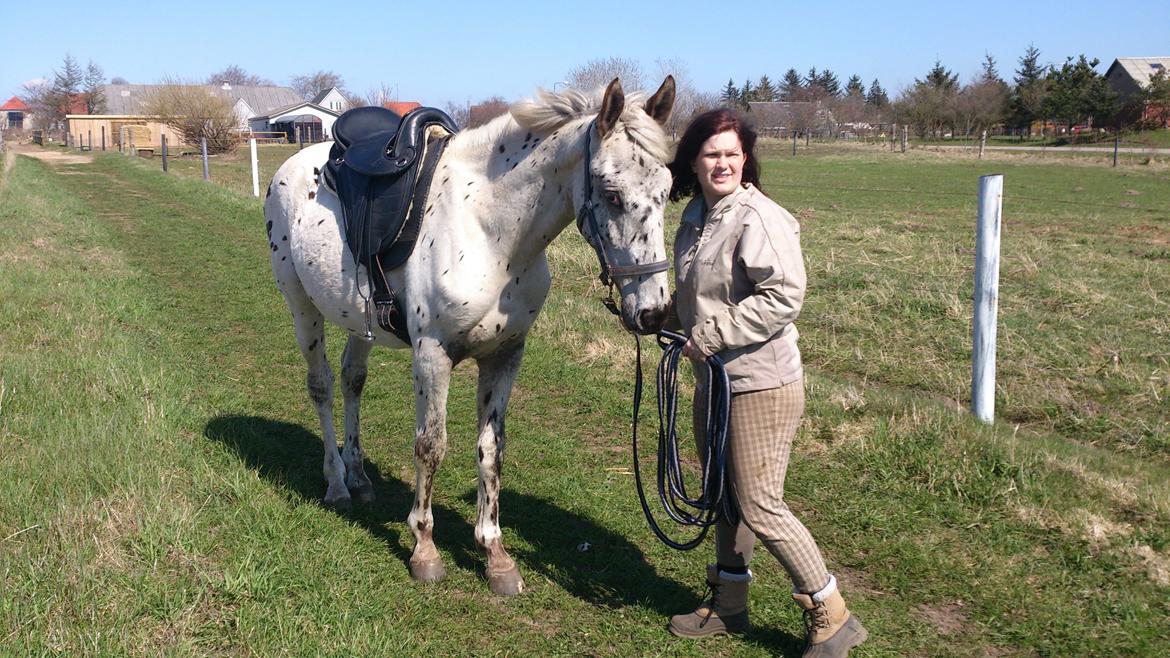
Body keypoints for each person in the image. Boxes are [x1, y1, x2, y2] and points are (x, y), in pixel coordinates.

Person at [663, 109, 867, 657]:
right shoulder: (695, 217)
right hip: (716, 381)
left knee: (760, 505)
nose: (723, 162)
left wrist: (709, 336)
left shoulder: (758, 217)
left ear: (745, 157)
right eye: (712, 154)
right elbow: (699, 296)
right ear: (694, 161)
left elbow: (782, 297)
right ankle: (730, 604)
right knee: (725, 499)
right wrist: (660, 317)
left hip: (761, 382)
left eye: (732, 153)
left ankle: (831, 611)